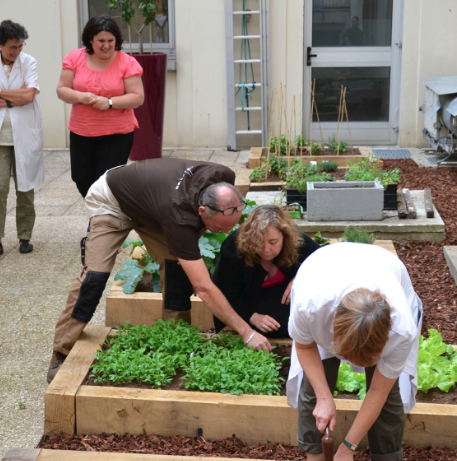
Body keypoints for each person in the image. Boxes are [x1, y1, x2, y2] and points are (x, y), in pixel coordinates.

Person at [47, 158, 271, 382]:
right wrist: (246, 332)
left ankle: (176, 339)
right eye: (221, 227)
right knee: (94, 279)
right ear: (202, 210)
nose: (226, 232)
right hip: (113, 200)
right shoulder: (179, 216)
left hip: (154, 207)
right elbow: (203, 288)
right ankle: (62, 349)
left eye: (231, 224)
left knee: (178, 271)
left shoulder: (224, 176)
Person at [287, 242, 422, 461]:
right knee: (313, 389)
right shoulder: (311, 306)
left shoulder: (402, 330)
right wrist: (324, 397)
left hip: (382, 267)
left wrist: (348, 448)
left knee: (388, 396)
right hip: (323, 265)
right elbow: (305, 346)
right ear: (334, 333)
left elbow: (378, 391)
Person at [56, 14, 144, 199]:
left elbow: (137, 97)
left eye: (110, 40)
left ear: (116, 40)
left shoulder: (127, 62)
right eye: (101, 41)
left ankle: (99, 222)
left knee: (106, 181)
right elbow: (62, 90)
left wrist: (110, 102)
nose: (106, 46)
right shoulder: (74, 58)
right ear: (90, 40)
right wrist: (80, 96)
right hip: (82, 131)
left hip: (117, 134)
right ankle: (98, 216)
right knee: (81, 178)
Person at [212, 205, 319, 337]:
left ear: (285, 237)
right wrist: (252, 316)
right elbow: (223, 295)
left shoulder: (297, 241)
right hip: (243, 305)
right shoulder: (233, 249)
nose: (266, 249)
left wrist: (300, 277)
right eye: (259, 243)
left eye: (273, 242)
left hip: (282, 302)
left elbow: (322, 259)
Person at [0, 20, 44, 255]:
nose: (17, 52)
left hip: (25, 134)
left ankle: (24, 236)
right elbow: (24, 94)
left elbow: (29, 95)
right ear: (0, 45)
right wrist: (16, 97)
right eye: (11, 48)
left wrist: (4, 98)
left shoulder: (29, 62)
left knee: (25, 188)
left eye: (20, 46)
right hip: (1, 138)